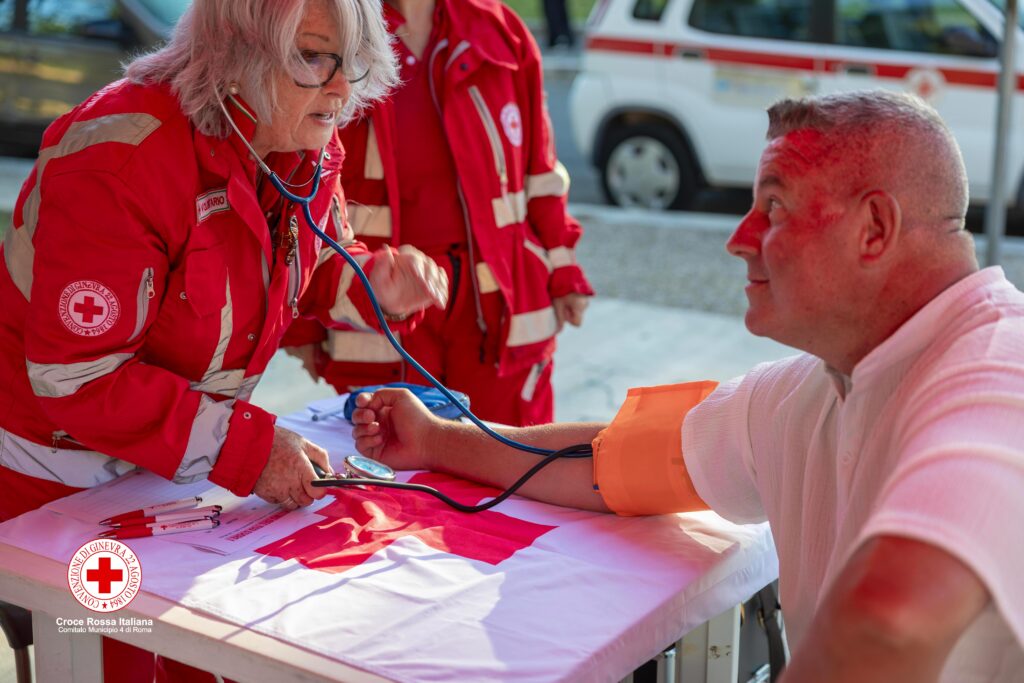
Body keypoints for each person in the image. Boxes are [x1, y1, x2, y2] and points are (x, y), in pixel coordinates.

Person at [350, 90, 1024, 682]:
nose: (739, 238)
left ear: (874, 229)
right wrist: (438, 440)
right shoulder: (811, 391)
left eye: (775, 206)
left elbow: (889, 621)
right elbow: (609, 461)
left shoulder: (999, 373)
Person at [0, 0, 447, 680]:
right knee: (132, 664)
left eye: (352, 63)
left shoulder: (299, 137)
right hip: (48, 480)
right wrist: (250, 447)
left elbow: (303, 271)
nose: (340, 89)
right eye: (314, 56)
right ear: (237, 51)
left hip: (165, 463)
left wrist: (373, 284)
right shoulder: (123, 156)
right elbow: (80, 379)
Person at [281, 0, 593, 427]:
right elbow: (295, 183)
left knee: (515, 472)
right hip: (383, 306)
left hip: (501, 308)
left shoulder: (501, 31)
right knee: (396, 481)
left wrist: (563, 271)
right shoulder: (331, 29)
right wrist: (300, 322)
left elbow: (540, 173)